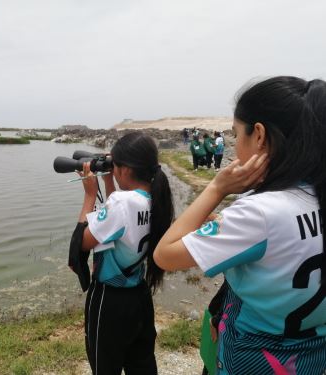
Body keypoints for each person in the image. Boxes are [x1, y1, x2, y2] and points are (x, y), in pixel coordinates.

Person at [154, 76, 326, 375]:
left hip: (254, 360)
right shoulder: (307, 198)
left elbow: (164, 255)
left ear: (259, 135)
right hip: (311, 358)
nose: (234, 147)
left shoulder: (260, 213)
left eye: (236, 135)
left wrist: (216, 189)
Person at [75, 131, 174, 374]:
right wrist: (110, 181)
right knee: (141, 364)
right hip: (139, 297)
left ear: (125, 170)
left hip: (110, 300)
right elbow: (120, 221)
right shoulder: (154, 198)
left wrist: (89, 195)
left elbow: (83, 242)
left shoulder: (122, 203)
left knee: (105, 367)